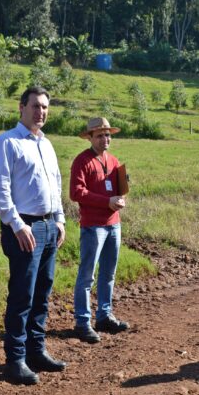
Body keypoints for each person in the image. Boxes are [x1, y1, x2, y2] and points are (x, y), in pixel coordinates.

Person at [0, 87, 68, 385]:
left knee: (42, 293)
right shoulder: (7, 142)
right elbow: (0, 191)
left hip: (48, 227)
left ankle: (36, 351)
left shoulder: (47, 145)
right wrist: (17, 225)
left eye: (45, 107)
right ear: (21, 107)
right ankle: (16, 359)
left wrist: (59, 220)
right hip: (24, 229)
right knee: (22, 294)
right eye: (35, 106)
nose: (41, 112)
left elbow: (56, 185)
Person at [69, 117, 131, 344]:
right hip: (93, 226)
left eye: (108, 135)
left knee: (108, 273)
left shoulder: (113, 161)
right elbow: (76, 193)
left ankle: (104, 316)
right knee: (87, 276)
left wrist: (121, 197)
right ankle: (82, 322)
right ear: (90, 138)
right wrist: (106, 201)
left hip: (114, 224)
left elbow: (119, 190)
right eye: (100, 135)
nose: (105, 139)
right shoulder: (82, 161)